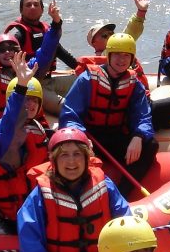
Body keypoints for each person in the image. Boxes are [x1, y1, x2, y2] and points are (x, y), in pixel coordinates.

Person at [59, 33, 159, 197]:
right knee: (74, 149)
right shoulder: (87, 79)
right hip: (91, 139)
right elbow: (70, 114)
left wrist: (139, 136)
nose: (122, 60)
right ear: (109, 56)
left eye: (126, 55)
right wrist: (82, 139)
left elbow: (143, 116)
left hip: (116, 136)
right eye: (117, 55)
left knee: (151, 144)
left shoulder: (135, 85)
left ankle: (123, 193)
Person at [82, 0, 170, 129]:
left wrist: (141, 12)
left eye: (111, 32)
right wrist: (140, 12)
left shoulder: (118, 52)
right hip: (135, 111)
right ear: (94, 44)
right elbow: (131, 31)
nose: (110, 35)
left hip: (143, 103)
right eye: (104, 36)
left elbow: (131, 33)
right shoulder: (103, 59)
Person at [0, 53, 50, 221]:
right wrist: (21, 86)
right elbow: (11, 122)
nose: (30, 104)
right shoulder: (7, 134)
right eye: (25, 100)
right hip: (21, 211)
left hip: (38, 200)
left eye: (34, 100)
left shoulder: (37, 127)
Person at [4, 0, 76, 114]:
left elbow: (60, 51)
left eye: (36, 4)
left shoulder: (46, 30)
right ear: (21, 10)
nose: (32, 7)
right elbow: (8, 65)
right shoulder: (17, 34)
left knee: (89, 81)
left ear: (42, 10)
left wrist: (81, 67)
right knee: (68, 109)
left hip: (50, 80)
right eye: (28, 5)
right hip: (32, 87)